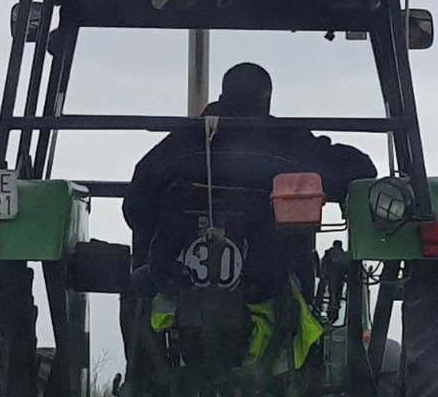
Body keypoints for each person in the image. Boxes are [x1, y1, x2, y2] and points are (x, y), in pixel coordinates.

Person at [122, 62, 377, 278]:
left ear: (222, 96)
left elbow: (135, 209)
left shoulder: (178, 144)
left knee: (139, 283)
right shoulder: (290, 145)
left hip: (172, 285)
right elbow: (360, 169)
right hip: (273, 285)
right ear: (267, 100)